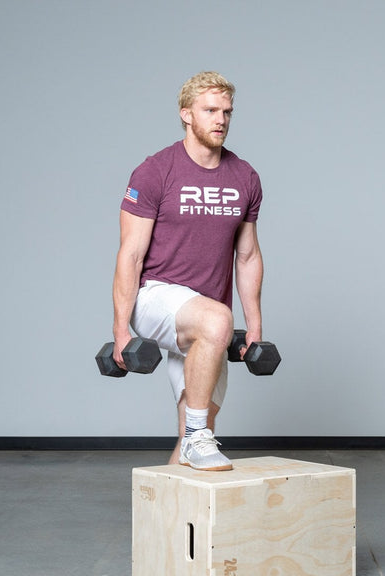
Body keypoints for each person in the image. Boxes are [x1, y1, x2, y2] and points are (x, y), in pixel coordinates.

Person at [111, 71, 264, 471]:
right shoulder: (155, 171)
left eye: (227, 111)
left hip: (210, 314)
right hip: (156, 298)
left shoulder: (244, 176)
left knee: (196, 421)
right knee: (202, 431)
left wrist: (256, 326)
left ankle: (171, 524)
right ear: (186, 115)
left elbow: (247, 256)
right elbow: (130, 254)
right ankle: (199, 438)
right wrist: (120, 331)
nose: (221, 120)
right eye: (210, 110)